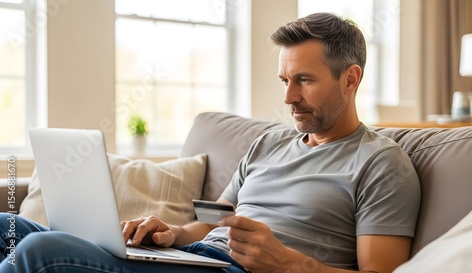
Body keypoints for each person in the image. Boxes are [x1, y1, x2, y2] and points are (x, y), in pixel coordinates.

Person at [0, 12, 420, 273]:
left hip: (233, 272)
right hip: (196, 257)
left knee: (37, 250)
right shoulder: (268, 143)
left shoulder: (381, 163)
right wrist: (171, 234)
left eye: (304, 81)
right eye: (285, 81)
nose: (288, 97)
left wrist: (291, 264)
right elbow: (216, 222)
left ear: (351, 78)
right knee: (7, 226)